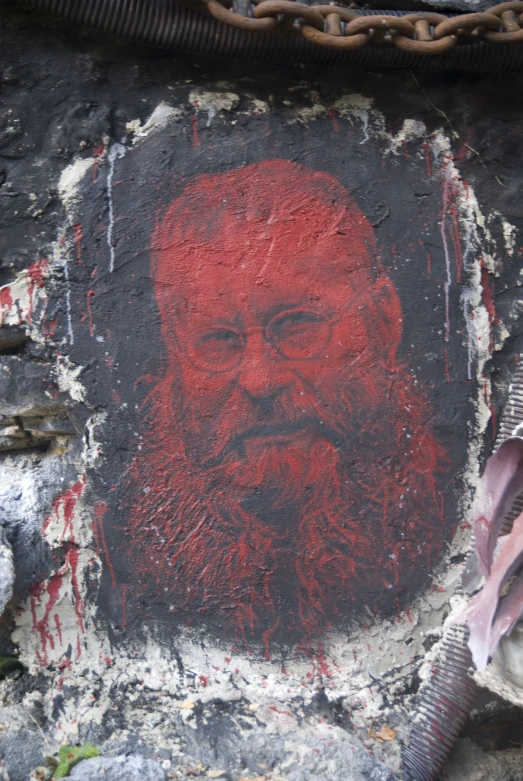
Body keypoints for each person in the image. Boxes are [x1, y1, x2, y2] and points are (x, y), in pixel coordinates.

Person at [126, 159, 445, 651]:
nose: (259, 379)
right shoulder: (115, 550)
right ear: (173, 354)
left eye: (297, 325)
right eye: (218, 339)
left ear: (384, 321)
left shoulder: (467, 516)